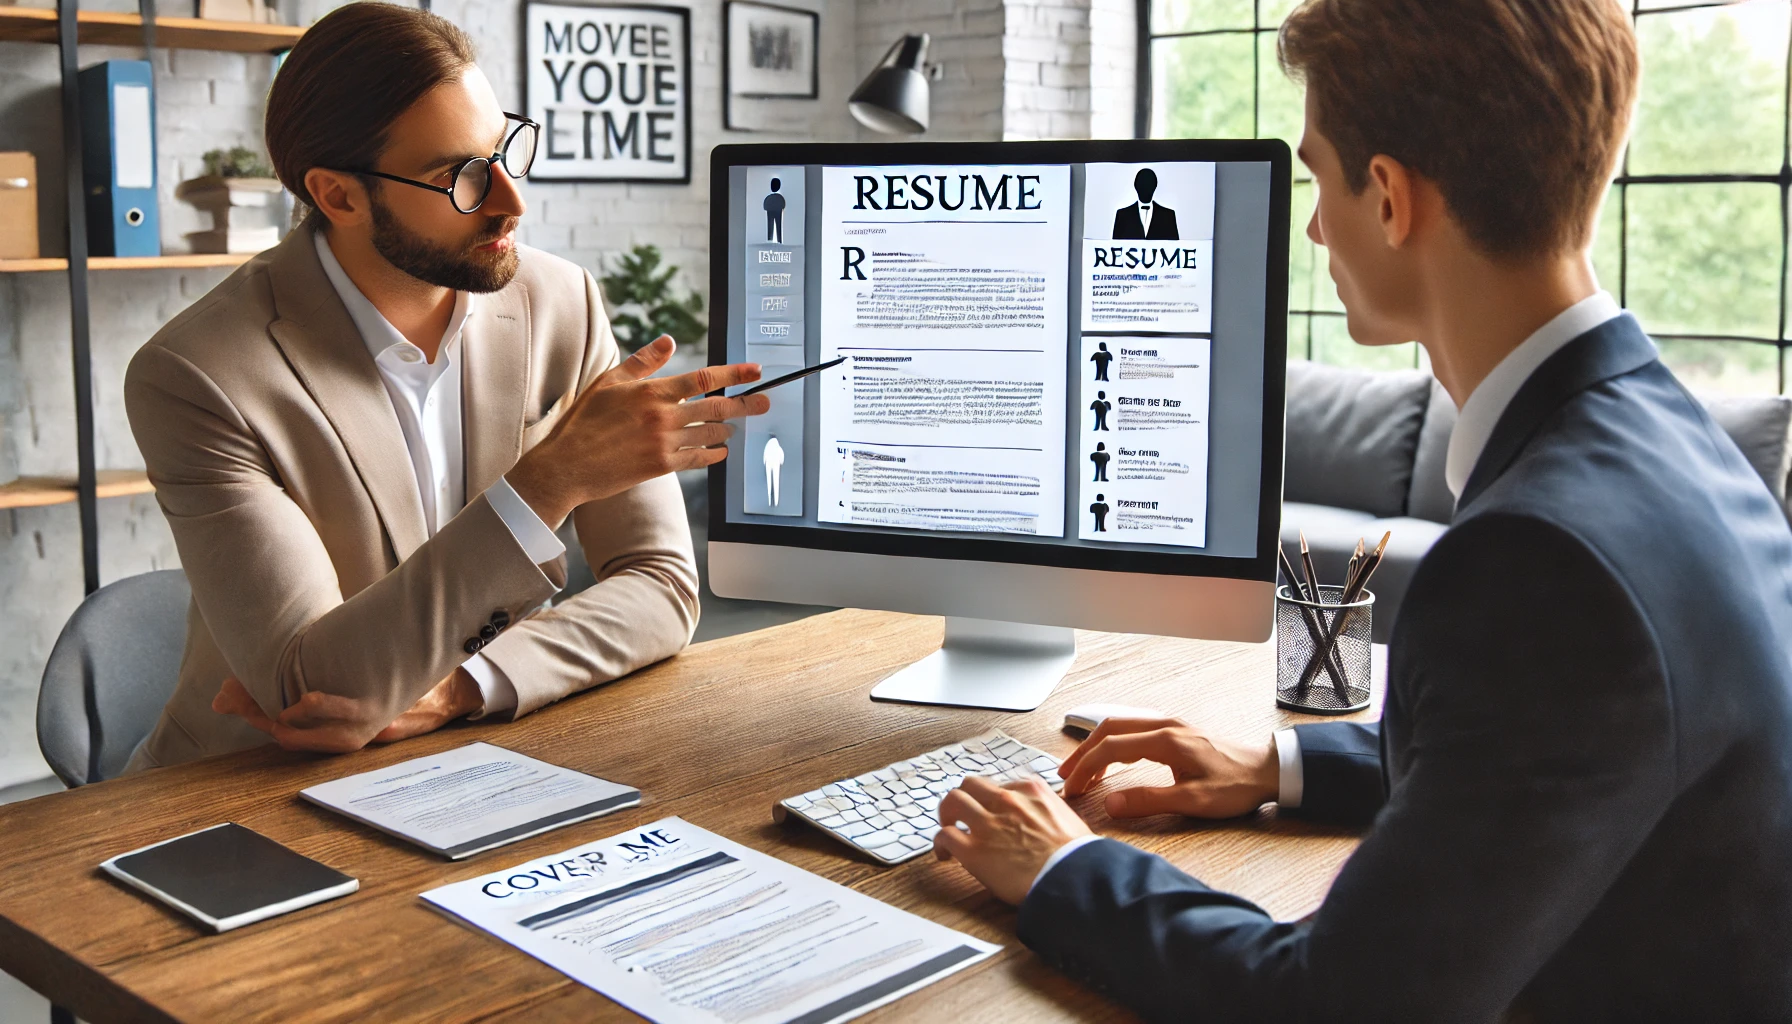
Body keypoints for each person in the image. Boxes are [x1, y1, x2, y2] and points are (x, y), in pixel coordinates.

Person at [931, 0, 1792, 1019]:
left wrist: (1063, 870)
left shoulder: (1539, 556)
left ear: (1387, 197)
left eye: (1313, 176)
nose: (1310, 225)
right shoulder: (1678, 438)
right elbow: (1559, 758)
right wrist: (1275, 762)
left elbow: (1337, 1001)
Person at [121, 2, 769, 770]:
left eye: (504, 151)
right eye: (458, 175)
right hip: (241, 786)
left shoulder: (562, 303)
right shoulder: (199, 376)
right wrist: (548, 481)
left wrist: (464, 685)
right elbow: (313, 690)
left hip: (478, 753)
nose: (511, 201)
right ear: (339, 196)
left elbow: (662, 591)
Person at [1111, 168, 1179, 241]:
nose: (1145, 188)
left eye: (1149, 184)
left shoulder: (1168, 216)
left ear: (1155, 187)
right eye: (1142, 184)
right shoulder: (1122, 216)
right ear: (1136, 187)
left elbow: (1175, 247)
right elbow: (1115, 247)